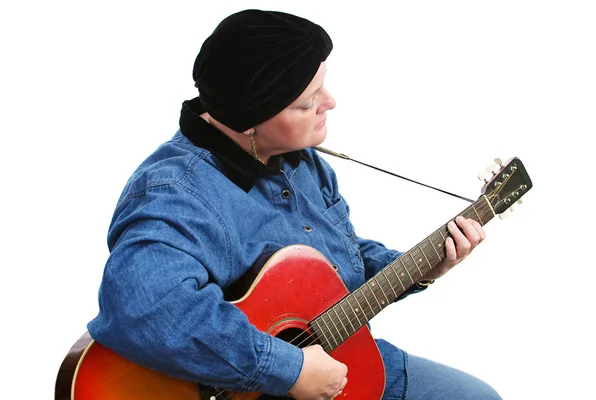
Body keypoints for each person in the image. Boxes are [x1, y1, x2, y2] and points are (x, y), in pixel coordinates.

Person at [87, 9, 503, 400]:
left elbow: (333, 268)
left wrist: (424, 266)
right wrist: (290, 370)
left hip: (339, 358)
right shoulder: (174, 194)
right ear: (249, 120)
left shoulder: (300, 159)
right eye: (307, 102)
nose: (330, 103)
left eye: (322, 86)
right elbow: (149, 311)